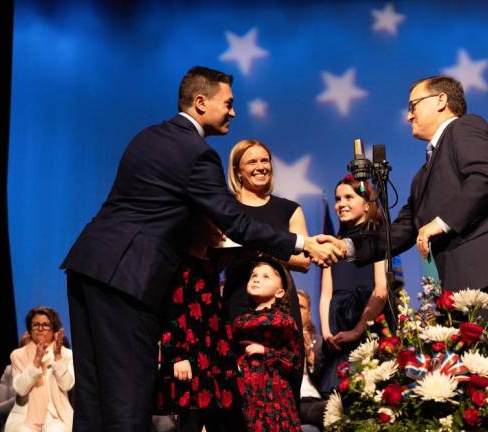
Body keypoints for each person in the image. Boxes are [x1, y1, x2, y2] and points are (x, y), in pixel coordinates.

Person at [60, 66, 341, 431]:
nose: (233, 112)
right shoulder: (196, 153)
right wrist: (303, 242)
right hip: (128, 279)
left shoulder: (147, 137)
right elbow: (236, 222)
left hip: (88, 265)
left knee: (93, 397)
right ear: (200, 102)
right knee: (127, 398)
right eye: (228, 103)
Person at [323, 75, 488, 358]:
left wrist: (440, 224)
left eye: (413, 104)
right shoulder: (423, 174)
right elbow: (402, 229)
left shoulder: (465, 127)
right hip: (460, 286)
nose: (408, 115)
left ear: (441, 101)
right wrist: (347, 247)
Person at [223, 138, 309, 399]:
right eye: (252, 161)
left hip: (281, 308)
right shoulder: (227, 209)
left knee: (284, 385)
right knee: (239, 392)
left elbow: (304, 261)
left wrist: (263, 248)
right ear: (238, 170)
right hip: (238, 303)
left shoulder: (289, 209)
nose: (261, 167)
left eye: (265, 160)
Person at [155, 216, 242, 432]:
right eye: (215, 224)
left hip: (215, 355)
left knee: (224, 419)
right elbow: (171, 311)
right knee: (190, 420)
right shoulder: (179, 264)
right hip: (190, 356)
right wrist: (177, 355)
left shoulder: (211, 264)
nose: (222, 231)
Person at [319, 175, 388, 395]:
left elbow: (381, 289)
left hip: (367, 324)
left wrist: (358, 330)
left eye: (349, 197)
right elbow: (325, 293)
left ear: (367, 205)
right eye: (338, 199)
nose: (341, 204)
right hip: (337, 330)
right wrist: (327, 333)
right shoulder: (332, 243)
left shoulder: (377, 239)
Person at [233, 257, 302, 431]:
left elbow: (293, 360)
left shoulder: (283, 321)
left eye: (266, 277)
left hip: (271, 391)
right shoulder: (239, 321)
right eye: (253, 275)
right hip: (244, 388)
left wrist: (266, 350)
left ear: (280, 292)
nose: (256, 279)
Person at [5, 307, 74, 432]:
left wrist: (58, 357)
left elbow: (67, 385)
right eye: (36, 325)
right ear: (30, 329)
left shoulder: (66, 354)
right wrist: (36, 361)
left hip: (56, 414)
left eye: (45, 325)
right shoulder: (18, 355)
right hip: (27, 414)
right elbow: (21, 389)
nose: (40, 329)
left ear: (54, 329)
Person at [297, 290, 326, 431]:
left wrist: (310, 357)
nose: (295, 310)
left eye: (301, 307)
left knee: (333, 408)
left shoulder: (320, 343)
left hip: (315, 400)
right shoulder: (277, 342)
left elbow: (326, 379)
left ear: (309, 314)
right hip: (291, 400)